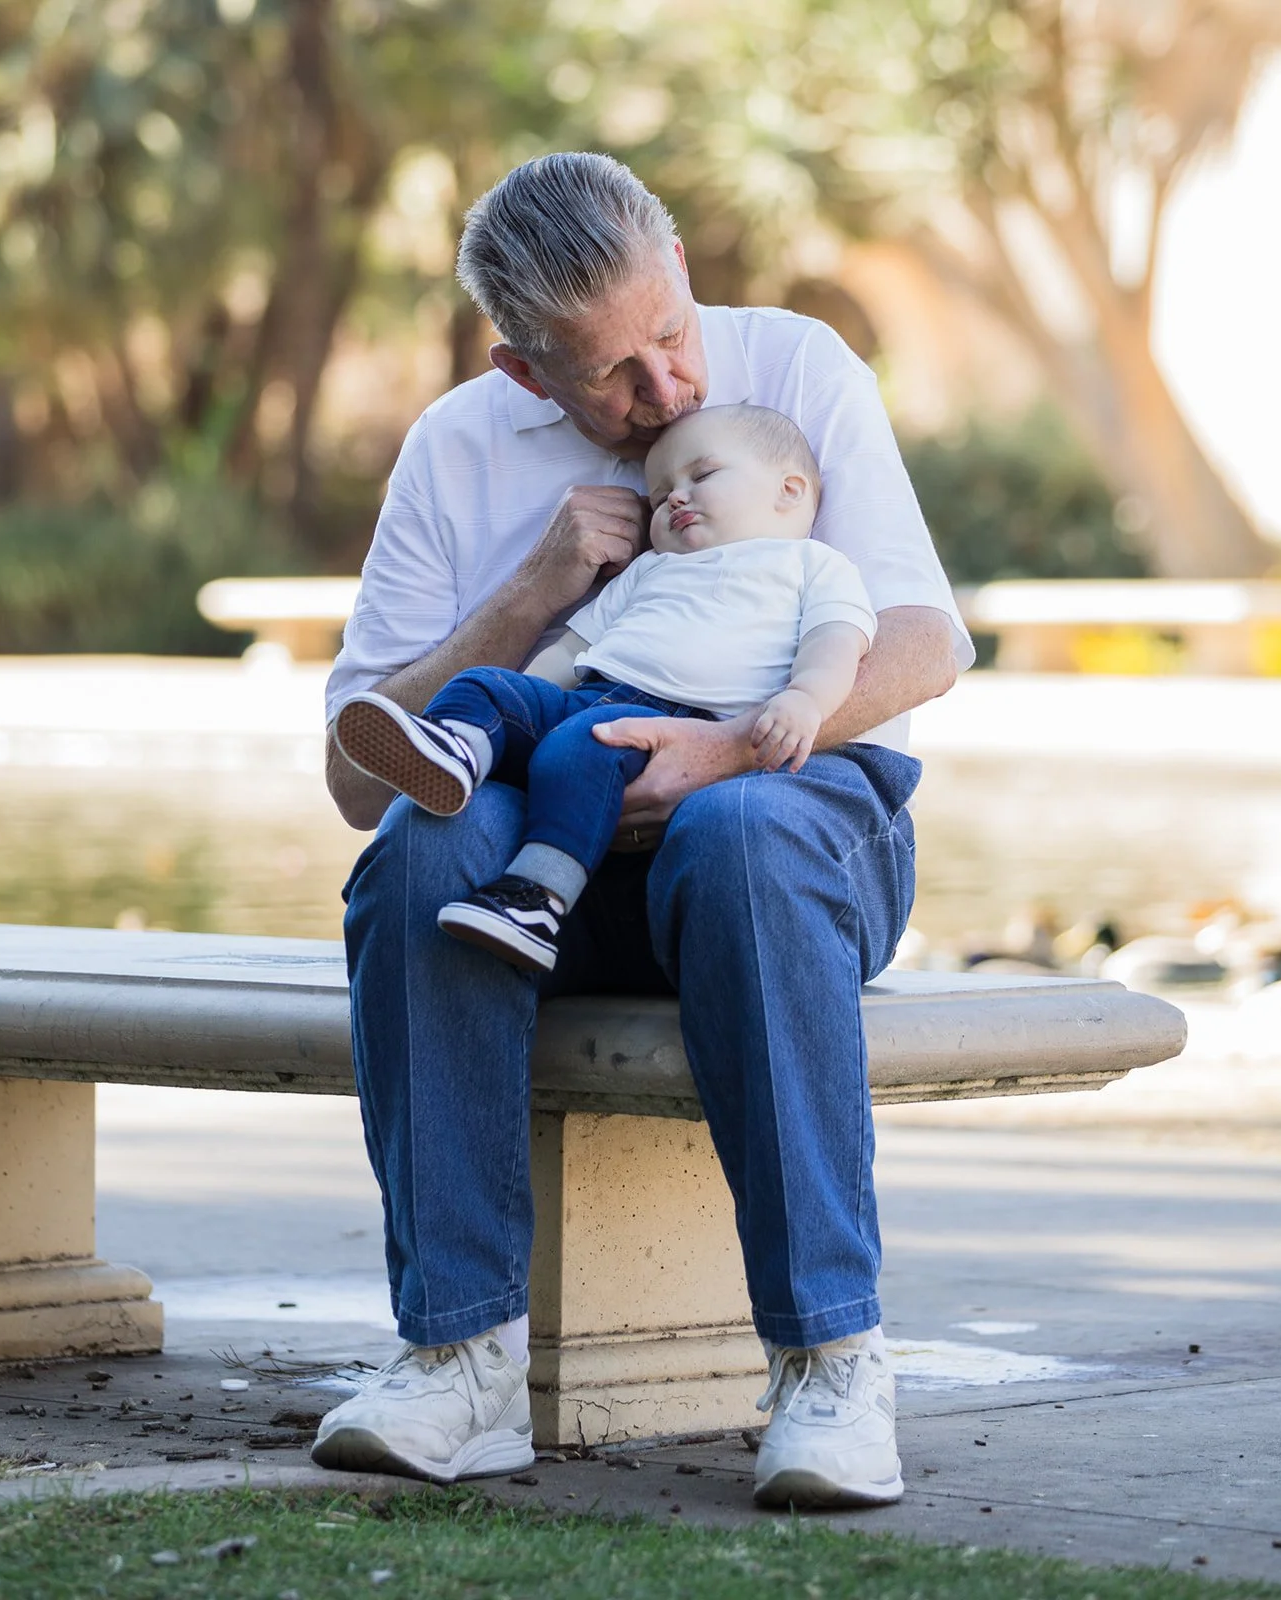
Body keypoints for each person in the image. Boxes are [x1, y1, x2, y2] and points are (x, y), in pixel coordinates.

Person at [311, 152, 974, 1508]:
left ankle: (829, 1361)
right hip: (551, 884)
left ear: (679, 269)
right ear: (522, 371)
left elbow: (920, 638)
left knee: (737, 834)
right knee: (419, 851)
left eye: (668, 334)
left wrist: (726, 748)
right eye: (609, 375)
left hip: (785, 836)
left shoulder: (795, 370)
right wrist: (531, 594)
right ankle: (458, 1361)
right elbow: (356, 780)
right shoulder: (456, 446)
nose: (666, 393)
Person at [328, 404, 876, 974]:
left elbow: (836, 642)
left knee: (575, 751)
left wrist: (805, 698)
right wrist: (522, 708)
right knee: (484, 686)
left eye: (703, 476)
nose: (677, 499)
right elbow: (570, 651)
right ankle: (458, 753)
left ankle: (537, 898)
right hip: (592, 693)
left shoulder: (813, 565)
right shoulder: (650, 570)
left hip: (671, 723)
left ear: (789, 490)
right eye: (661, 498)